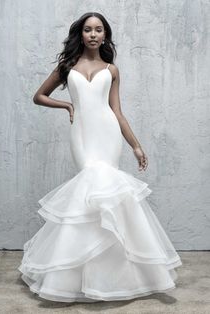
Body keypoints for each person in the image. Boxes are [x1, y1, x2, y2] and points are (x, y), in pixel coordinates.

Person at [18, 12, 182, 303]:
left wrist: (136, 146)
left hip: (107, 135)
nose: (93, 34)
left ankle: (113, 277)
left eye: (98, 30)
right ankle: (75, 275)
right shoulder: (67, 66)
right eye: (87, 30)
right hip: (82, 136)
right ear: (80, 34)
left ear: (105, 35)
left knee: (108, 194)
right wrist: (66, 106)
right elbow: (39, 95)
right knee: (89, 190)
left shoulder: (112, 69)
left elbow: (117, 113)